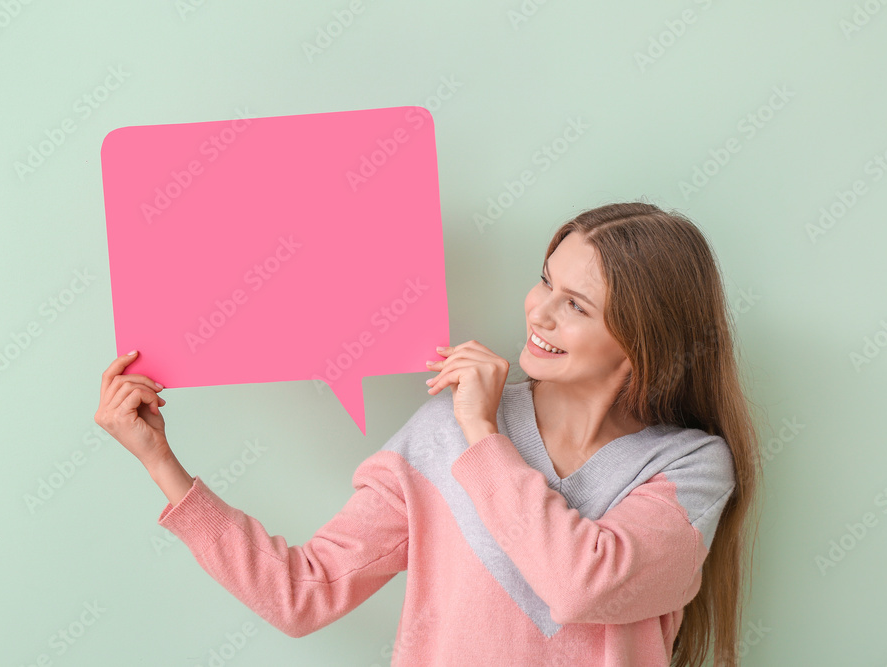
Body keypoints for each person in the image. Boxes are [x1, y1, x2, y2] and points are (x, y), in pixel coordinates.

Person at [95, 200, 762, 667]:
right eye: (544, 280)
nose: (540, 311)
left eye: (576, 305)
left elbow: (579, 584)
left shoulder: (691, 467)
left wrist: (482, 432)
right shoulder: (442, 430)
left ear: (641, 341)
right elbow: (301, 592)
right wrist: (159, 460)